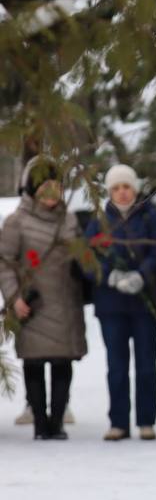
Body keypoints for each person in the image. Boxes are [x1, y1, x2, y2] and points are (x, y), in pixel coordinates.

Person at [0, 156, 90, 441]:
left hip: (64, 301)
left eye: (56, 187)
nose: (52, 194)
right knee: (35, 363)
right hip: (32, 304)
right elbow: (4, 263)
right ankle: (40, 422)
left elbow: (82, 257)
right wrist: (14, 298)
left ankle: (58, 421)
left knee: (63, 362)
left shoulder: (70, 219)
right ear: (33, 189)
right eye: (45, 187)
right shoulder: (17, 222)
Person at [83, 164, 156, 441]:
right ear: (109, 191)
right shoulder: (99, 221)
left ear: (135, 188)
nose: (121, 192)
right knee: (117, 366)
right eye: (116, 188)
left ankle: (146, 420)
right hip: (112, 305)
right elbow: (86, 259)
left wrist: (143, 275)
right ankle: (118, 421)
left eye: (126, 186)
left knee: (146, 364)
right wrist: (110, 276)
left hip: (144, 305)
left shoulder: (150, 217)